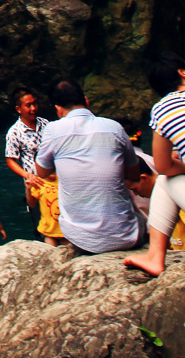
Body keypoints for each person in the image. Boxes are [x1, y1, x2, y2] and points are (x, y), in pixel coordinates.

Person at [34, 79, 143, 255]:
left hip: (80, 239)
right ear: (86, 101)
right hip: (125, 236)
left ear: (58, 109)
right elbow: (134, 174)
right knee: (143, 218)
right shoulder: (114, 127)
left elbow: (42, 171)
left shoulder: (53, 130)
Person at [125, 49, 185, 278]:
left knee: (163, 181)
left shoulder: (163, 109)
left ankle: (154, 256)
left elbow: (163, 166)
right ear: (182, 72)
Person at [4, 88, 47, 226]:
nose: (33, 108)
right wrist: (27, 175)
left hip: (54, 182)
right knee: (41, 226)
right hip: (35, 184)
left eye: (34, 104)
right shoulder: (15, 132)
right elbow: (10, 160)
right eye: (28, 105)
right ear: (19, 109)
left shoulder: (45, 124)